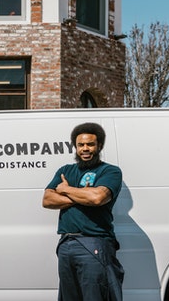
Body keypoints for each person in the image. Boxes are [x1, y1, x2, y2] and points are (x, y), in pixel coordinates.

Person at [42, 122, 125, 301]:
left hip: (94, 243)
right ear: (76, 147)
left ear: (99, 146)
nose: (85, 149)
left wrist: (65, 189)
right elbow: (47, 200)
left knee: (96, 296)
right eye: (81, 145)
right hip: (66, 244)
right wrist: (81, 195)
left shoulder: (110, 171)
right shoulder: (66, 170)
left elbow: (97, 198)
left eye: (90, 144)